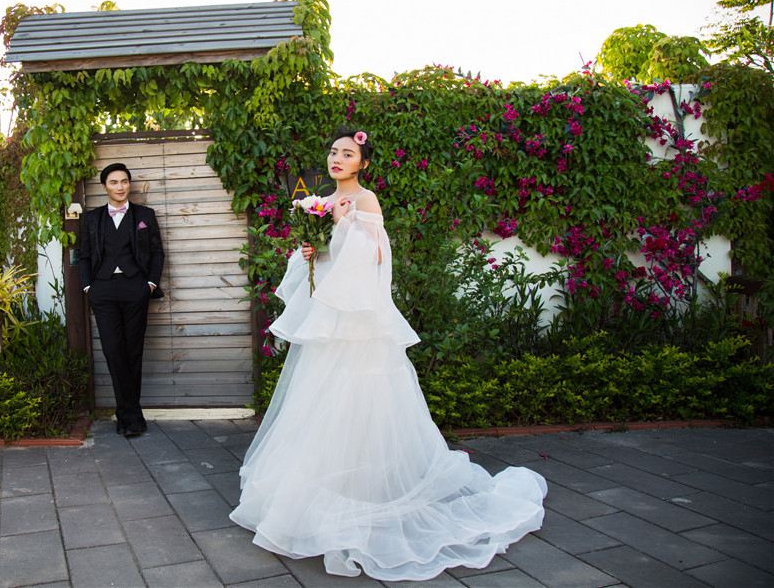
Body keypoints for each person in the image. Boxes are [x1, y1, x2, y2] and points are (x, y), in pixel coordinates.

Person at [229, 128, 547, 581]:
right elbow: (317, 261)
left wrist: (342, 224)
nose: (337, 158)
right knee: (321, 403)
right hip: (328, 322)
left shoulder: (366, 200)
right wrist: (308, 250)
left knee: (361, 402)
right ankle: (315, 497)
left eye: (348, 153)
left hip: (359, 325)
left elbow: (376, 258)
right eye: (334, 152)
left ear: (362, 163)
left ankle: (366, 494)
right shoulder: (318, 202)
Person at [78, 163, 165, 437]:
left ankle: (129, 417)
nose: (120, 186)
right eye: (114, 182)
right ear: (105, 186)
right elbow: (84, 255)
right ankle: (131, 415)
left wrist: (149, 284)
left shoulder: (145, 215)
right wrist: (88, 287)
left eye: (124, 181)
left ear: (129, 184)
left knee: (133, 351)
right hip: (102, 290)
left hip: (135, 288)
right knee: (113, 351)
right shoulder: (92, 219)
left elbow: (157, 252)